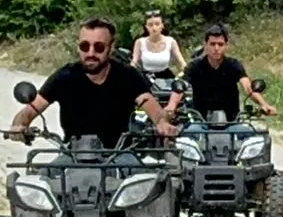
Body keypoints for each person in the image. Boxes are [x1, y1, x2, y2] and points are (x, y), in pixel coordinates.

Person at [11, 16, 177, 148]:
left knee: (145, 186)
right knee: (39, 183)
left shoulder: (127, 76)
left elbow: (153, 108)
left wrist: (162, 123)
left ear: (111, 48)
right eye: (84, 46)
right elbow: (31, 109)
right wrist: (19, 125)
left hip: (120, 155)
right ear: (78, 47)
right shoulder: (65, 77)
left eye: (98, 47)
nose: (90, 53)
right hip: (73, 156)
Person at [170, 21, 277, 125]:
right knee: (184, 140)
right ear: (205, 45)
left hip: (232, 122)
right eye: (212, 44)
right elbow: (180, 87)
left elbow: (248, 88)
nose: (216, 48)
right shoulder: (195, 66)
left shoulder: (234, 65)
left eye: (220, 44)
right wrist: (171, 106)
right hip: (200, 122)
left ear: (226, 45)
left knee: (253, 139)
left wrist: (264, 105)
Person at [132, 9, 185, 79]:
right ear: (146, 27)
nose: (154, 28)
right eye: (150, 25)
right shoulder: (140, 42)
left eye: (157, 24)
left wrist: (187, 71)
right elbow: (134, 62)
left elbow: (181, 61)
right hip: (146, 78)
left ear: (162, 25)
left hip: (166, 79)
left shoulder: (170, 41)